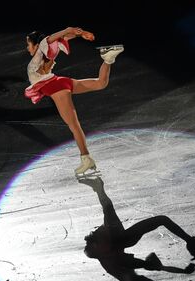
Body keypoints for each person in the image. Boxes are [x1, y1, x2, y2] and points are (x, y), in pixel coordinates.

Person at [79, 177, 195, 281]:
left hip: (112, 240)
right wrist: (180, 280)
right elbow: (160, 271)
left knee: (110, 209)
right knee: (160, 219)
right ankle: (192, 244)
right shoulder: (132, 269)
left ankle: (192, 244)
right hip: (119, 239)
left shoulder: (118, 270)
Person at [24, 27, 124, 175]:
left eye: (28, 44)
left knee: (74, 125)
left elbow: (54, 37)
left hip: (55, 87)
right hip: (60, 81)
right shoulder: (46, 50)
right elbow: (63, 38)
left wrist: (69, 29)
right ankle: (108, 58)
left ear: (36, 45)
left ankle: (86, 158)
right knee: (100, 83)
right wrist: (82, 33)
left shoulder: (41, 49)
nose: (27, 48)